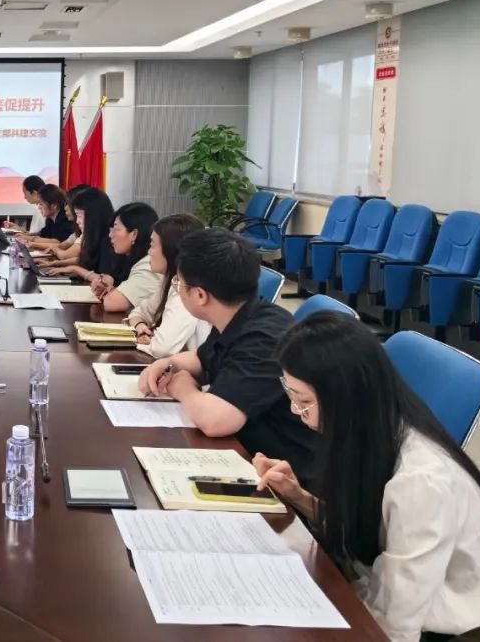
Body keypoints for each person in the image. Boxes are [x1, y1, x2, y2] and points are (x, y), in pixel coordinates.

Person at [256, 313, 480, 641]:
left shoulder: (422, 482)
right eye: (292, 396)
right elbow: (371, 528)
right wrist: (298, 496)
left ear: (345, 395)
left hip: (451, 628)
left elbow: (396, 626)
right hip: (385, 590)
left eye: (304, 401)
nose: (295, 411)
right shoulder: (372, 429)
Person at [138, 228, 315, 482]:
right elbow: (203, 358)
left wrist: (182, 388)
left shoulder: (265, 337)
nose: (177, 288)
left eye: (179, 284)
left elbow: (216, 421)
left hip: (286, 473)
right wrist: (170, 363)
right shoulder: (239, 314)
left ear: (200, 295)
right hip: (253, 456)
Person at [124, 214, 210, 357]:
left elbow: (162, 348)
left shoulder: (188, 288)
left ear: (171, 250)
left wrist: (144, 340)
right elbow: (139, 312)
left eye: (152, 245)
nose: (148, 252)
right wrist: (140, 326)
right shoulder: (171, 280)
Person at [94, 202, 161, 312]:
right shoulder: (127, 259)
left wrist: (111, 293)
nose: (110, 235)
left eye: (116, 228)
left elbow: (113, 303)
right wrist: (109, 287)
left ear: (134, 234)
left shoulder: (148, 264)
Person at [42, 188, 117, 283]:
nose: (77, 221)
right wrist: (56, 263)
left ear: (92, 215)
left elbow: (105, 281)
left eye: (79, 215)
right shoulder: (95, 236)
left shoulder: (110, 241)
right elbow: (86, 259)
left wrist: (74, 269)